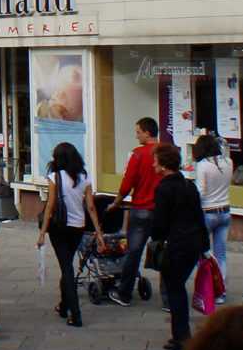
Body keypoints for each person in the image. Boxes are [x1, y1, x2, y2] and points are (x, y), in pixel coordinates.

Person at [149, 143, 209, 350]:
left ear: (164, 165)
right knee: (178, 287)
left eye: (155, 160)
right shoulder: (188, 186)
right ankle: (182, 333)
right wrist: (205, 245)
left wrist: (155, 237)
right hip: (192, 243)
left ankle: (181, 336)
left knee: (174, 290)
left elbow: (159, 222)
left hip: (175, 245)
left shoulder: (163, 188)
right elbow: (199, 217)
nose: (153, 164)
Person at [37, 142, 100, 328]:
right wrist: (99, 230)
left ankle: (76, 314)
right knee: (67, 265)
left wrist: (42, 233)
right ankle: (64, 306)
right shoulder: (84, 177)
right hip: (78, 228)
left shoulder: (55, 177)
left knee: (66, 268)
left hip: (59, 228)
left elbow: (50, 206)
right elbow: (90, 206)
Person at [110, 117, 162, 306]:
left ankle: (124, 294)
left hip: (141, 209)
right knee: (164, 251)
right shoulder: (167, 151)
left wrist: (117, 201)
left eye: (138, 132)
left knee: (133, 252)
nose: (136, 135)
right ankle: (169, 299)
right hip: (162, 211)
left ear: (147, 133)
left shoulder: (137, 154)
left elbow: (127, 183)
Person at [191, 134, 234, 291]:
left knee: (198, 249)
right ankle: (220, 291)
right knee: (221, 255)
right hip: (225, 212)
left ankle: (205, 284)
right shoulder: (229, 162)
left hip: (208, 212)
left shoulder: (203, 165)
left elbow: (200, 191)